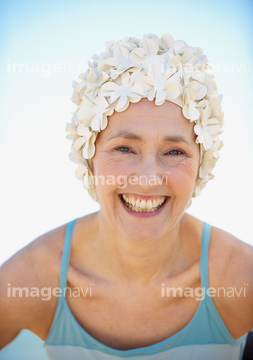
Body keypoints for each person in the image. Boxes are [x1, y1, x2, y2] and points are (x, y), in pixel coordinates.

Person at [0, 33, 252, 360]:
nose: (147, 180)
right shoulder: (35, 278)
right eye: (124, 148)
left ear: (202, 164)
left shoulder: (238, 278)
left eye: (175, 151)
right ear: (88, 154)